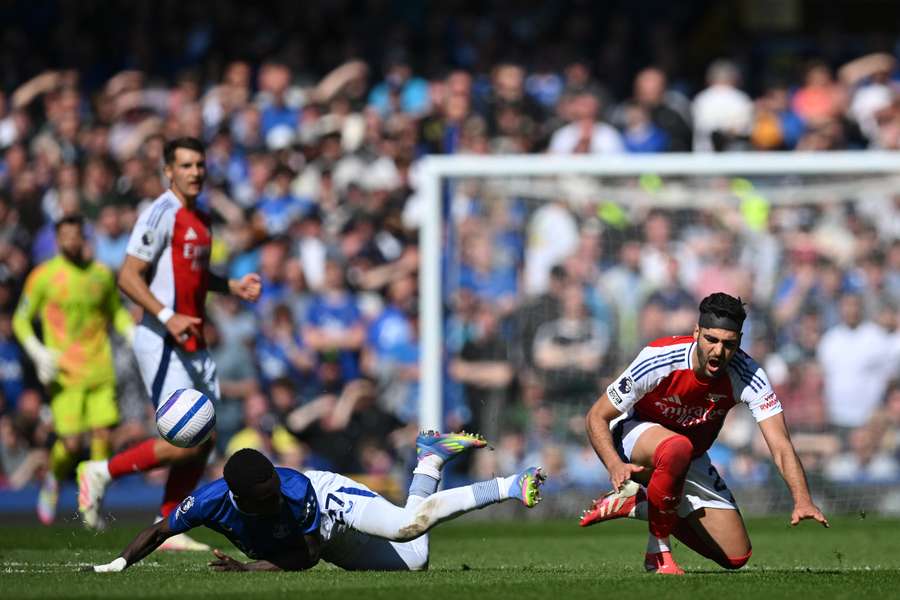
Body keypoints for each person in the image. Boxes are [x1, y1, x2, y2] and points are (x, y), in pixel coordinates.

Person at [76, 137, 262, 550]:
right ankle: (101, 470)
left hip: (191, 339)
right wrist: (166, 316)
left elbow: (193, 276)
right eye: (186, 165)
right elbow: (127, 276)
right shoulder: (160, 213)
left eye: (200, 164)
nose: (195, 172)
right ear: (168, 171)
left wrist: (230, 285)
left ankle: (168, 523)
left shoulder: (202, 215)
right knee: (185, 438)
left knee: (205, 436)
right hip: (162, 340)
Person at [580, 292, 828, 575]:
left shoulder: (749, 375)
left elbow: (780, 444)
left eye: (728, 344)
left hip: (690, 455)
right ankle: (657, 555)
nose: (718, 352)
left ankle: (640, 503)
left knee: (736, 556)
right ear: (696, 332)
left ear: (739, 342)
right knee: (676, 447)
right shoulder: (659, 358)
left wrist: (803, 499)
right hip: (635, 434)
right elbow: (596, 416)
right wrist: (614, 465)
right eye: (711, 340)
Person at [86, 433, 545, 573]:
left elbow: (304, 559)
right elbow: (161, 529)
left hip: (330, 504)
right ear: (241, 498)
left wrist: (249, 569)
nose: (275, 492)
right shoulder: (207, 502)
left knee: (407, 528)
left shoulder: (298, 490)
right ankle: (429, 460)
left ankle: (508, 485)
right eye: (265, 492)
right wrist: (120, 563)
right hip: (323, 544)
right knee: (416, 560)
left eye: (274, 483)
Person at [12, 215, 135, 525]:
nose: (70, 241)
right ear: (57, 240)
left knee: (103, 436)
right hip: (65, 373)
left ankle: (90, 502)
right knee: (70, 444)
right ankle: (52, 479)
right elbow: (20, 319)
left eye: (75, 235)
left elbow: (116, 312)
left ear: (83, 237)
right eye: (64, 236)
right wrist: (38, 352)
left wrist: (131, 333)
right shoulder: (43, 276)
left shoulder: (102, 275)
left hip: (100, 368)